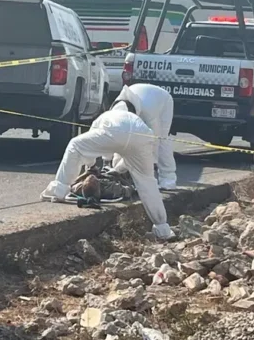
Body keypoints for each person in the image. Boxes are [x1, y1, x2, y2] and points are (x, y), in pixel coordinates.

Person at [41, 100, 176, 241]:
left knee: (75, 145)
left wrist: (91, 167)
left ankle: (58, 191)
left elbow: (88, 152)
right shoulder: (137, 120)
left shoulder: (106, 116)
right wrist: (118, 170)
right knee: (148, 183)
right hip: (142, 137)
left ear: (113, 107)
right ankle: (163, 229)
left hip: (114, 131)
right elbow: (132, 157)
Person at [113, 84, 177, 190]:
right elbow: (114, 139)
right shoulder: (116, 110)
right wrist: (109, 162)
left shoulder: (149, 113)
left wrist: (151, 164)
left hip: (163, 102)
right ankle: (124, 176)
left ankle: (168, 180)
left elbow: (153, 143)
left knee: (163, 139)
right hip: (142, 98)